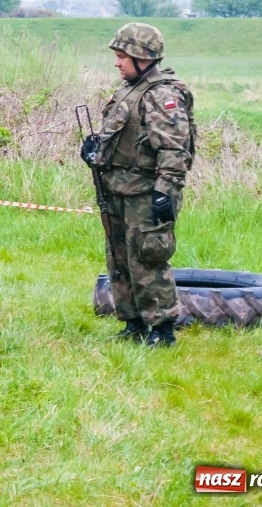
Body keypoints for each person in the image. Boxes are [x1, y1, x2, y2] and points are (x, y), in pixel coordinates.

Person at [85, 22, 195, 347]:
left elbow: (175, 150)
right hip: (117, 189)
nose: (117, 62)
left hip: (146, 194)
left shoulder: (162, 95)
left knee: (148, 260)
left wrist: (166, 191)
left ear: (141, 57)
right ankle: (133, 324)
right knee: (119, 259)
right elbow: (122, 136)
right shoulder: (127, 90)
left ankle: (162, 331)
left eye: (121, 56)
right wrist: (93, 149)